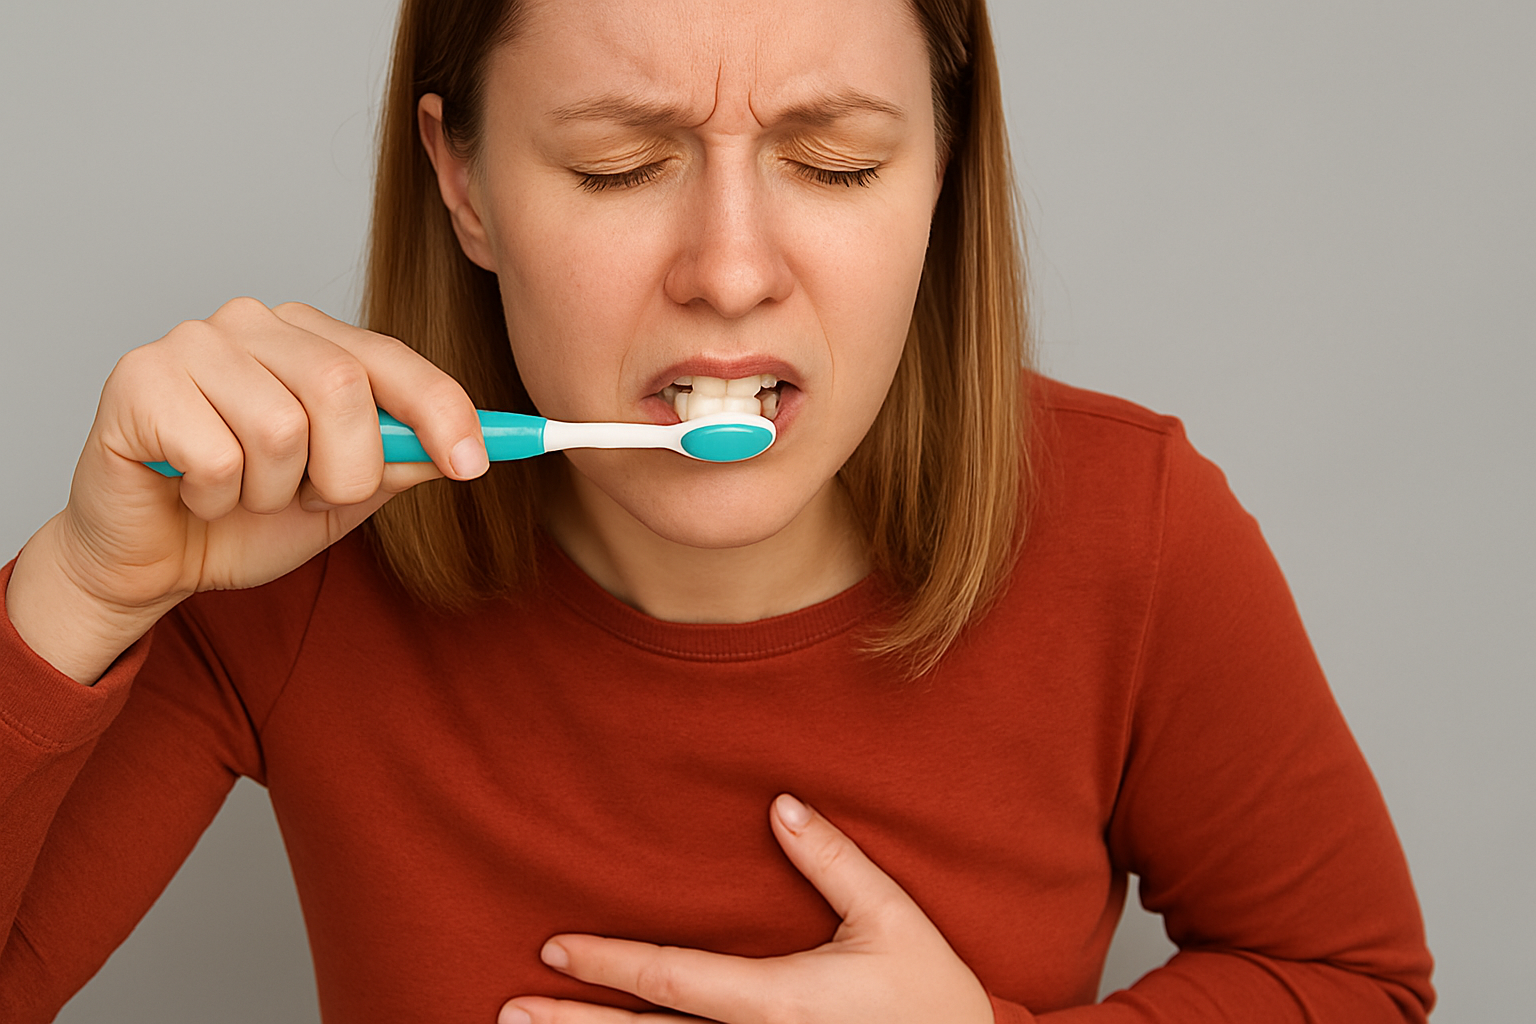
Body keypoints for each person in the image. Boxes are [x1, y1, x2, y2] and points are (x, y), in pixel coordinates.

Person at [0, 0, 1434, 1021]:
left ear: (942, 170)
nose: (732, 271)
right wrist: (84, 590)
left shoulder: (1135, 533)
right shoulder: (292, 554)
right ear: (464, 181)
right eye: (620, 166)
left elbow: (1359, 987)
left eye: (837, 164)